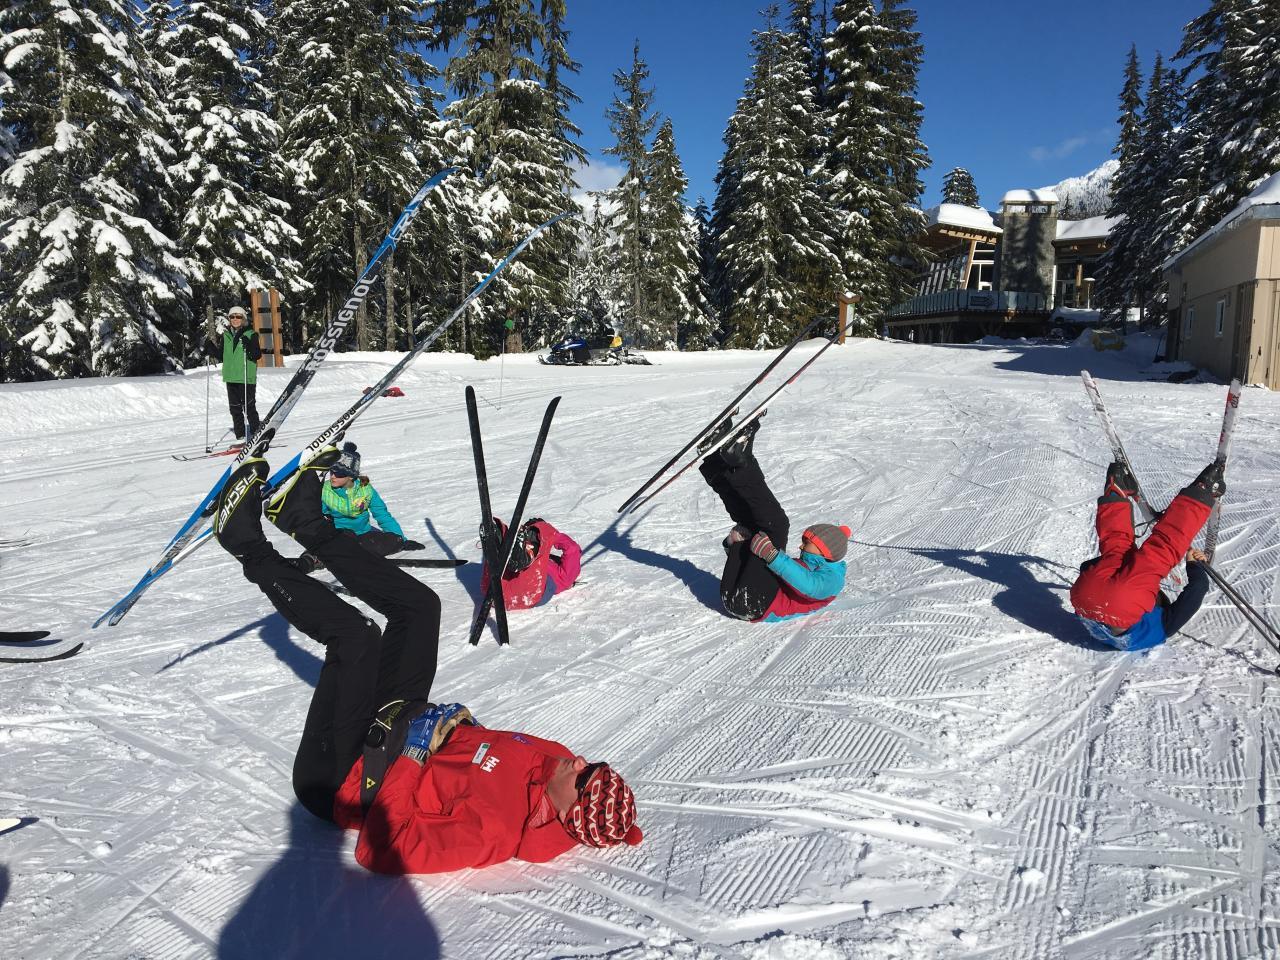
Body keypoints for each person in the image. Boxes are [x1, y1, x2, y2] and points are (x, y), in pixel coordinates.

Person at [211, 451, 643, 875]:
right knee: (421, 607)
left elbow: (382, 851)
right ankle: (302, 518)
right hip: (398, 722)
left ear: (568, 813)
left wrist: (414, 756)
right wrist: (460, 729)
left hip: (342, 777)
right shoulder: (558, 761)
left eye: (585, 778)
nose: (580, 761)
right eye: (596, 765)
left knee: (357, 637)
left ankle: (244, 541)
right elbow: (483, 763)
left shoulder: (491, 832)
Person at [697, 416, 850, 622]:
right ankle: (716, 463)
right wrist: (734, 546)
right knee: (752, 524)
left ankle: (741, 460)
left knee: (776, 525)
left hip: (757, 603)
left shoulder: (833, 580)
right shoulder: (809, 567)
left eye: (808, 542)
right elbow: (761, 568)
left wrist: (772, 555)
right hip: (739, 596)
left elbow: (809, 586)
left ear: (826, 551)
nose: (801, 545)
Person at [1070, 460, 1225, 651]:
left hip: (1120, 602)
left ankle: (1203, 490)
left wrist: (1195, 565)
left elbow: (1197, 590)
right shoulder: (1122, 623)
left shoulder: (1162, 628)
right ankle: (1115, 490)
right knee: (1116, 547)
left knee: (1163, 549)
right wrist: (1099, 570)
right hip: (1083, 600)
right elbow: (1087, 567)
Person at [320, 442, 420, 558]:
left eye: (339, 474)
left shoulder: (365, 490)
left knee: (391, 540)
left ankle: (353, 552)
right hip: (339, 534)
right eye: (332, 472)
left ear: (351, 476)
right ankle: (318, 558)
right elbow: (316, 517)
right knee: (341, 540)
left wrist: (401, 540)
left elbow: (382, 514)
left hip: (364, 534)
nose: (333, 476)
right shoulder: (325, 491)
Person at [480, 517, 582, 610]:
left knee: (546, 530)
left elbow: (573, 549)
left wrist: (552, 534)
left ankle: (525, 546)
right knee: (505, 543)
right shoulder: (553, 568)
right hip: (495, 587)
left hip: (527, 593)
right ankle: (495, 535)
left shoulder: (564, 578)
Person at [205, 305, 263, 441]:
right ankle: (240, 436)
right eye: (232, 317)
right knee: (235, 409)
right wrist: (210, 348)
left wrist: (249, 346)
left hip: (245, 377)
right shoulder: (226, 336)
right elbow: (222, 355)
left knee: (248, 407)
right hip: (231, 377)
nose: (235, 319)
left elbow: (256, 355)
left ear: (243, 318)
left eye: (238, 317)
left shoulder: (251, 334)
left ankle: (256, 434)